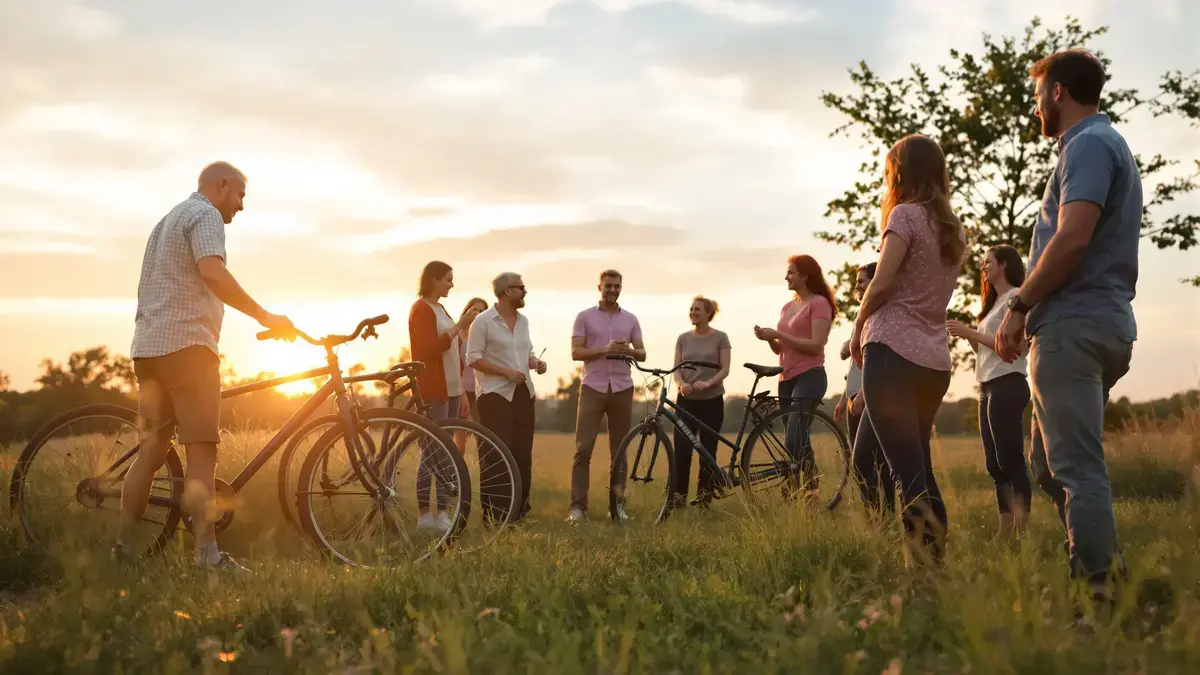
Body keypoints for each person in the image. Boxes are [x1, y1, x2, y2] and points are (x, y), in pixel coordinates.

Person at [995, 49, 1141, 605]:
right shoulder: (1094, 147)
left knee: (1075, 468)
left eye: (1037, 94)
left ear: (1057, 91)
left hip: (1074, 326)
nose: (1035, 105)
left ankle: (1097, 598)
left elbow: (1073, 237)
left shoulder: (1089, 145)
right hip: (1084, 324)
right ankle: (1107, 571)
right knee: (1047, 466)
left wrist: (1019, 304)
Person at [120, 161, 294, 570]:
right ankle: (207, 556)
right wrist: (264, 316)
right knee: (202, 451)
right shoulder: (206, 215)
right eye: (240, 195)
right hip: (188, 349)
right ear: (221, 186)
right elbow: (212, 273)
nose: (241, 206)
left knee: (151, 451)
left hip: (148, 348)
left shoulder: (166, 221)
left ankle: (123, 552)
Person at [850, 133, 966, 568]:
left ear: (900, 172)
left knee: (907, 476)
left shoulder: (904, 215)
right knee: (916, 468)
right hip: (934, 361)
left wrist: (859, 324)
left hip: (892, 354)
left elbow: (880, 284)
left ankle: (923, 570)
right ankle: (932, 564)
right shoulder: (952, 230)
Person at [947, 245, 1031, 538]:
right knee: (994, 464)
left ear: (1004, 265)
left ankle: (1022, 531)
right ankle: (1004, 531)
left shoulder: (1017, 298)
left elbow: (1016, 347)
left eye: (987, 263)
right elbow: (984, 347)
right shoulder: (993, 304)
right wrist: (969, 334)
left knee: (1011, 460)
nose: (983, 268)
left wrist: (968, 331)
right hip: (986, 385)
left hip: (1008, 382)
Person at [465, 272, 546, 524]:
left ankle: (519, 511)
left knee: (522, 453)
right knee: (497, 455)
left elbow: (527, 352)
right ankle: (495, 515)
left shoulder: (523, 322)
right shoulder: (482, 321)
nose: (525, 292)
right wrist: (507, 373)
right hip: (494, 396)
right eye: (521, 287)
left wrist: (536, 363)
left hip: (523, 394)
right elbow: (473, 358)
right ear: (507, 290)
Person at [753, 254, 835, 502]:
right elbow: (781, 350)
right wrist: (771, 340)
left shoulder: (819, 303)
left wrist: (779, 333)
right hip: (786, 378)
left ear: (805, 275)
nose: (786, 277)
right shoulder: (788, 307)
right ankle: (808, 493)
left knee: (794, 435)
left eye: (791, 272)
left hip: (810, 375)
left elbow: (815, 345)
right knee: (798, 437)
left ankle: (799, 490)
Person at [408, 261, 481, 534]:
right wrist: (460, 325)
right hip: (432, 389)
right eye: (448, 279)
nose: (452, 284)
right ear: (434, 280)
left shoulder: (441, 309)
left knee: (447, 451)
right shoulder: (421, 309)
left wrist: (462, 391)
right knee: (432, 451)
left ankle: (443, 513)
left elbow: (455, 356)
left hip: (451, 390)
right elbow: (428, 349)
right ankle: (425, 515)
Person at [568, 269, 646, 523]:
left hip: (622, 388)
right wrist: (605, 349)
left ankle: (617, 507)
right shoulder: (584, 317)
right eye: (608, 286)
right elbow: (576, 352)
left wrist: (629, 351)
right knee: (583, 449)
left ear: (621, 288)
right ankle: (578, 508)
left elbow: (642, 353)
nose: (613, 290)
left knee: (620, 450)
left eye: (617, 286)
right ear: (599, 287)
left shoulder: (631, 319)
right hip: (593, 387)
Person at [836, 262, 896, 516]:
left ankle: (887, 513)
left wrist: (863, 394)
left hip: (871, 396)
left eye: (862, 280)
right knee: (863, 461)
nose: (857, 286)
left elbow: (880, 362)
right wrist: (844, 397)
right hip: (854, 396)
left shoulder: (881, 317)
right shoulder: (861, 316)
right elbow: (855, 363)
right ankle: (875, 515)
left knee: (874, 460)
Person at [670, 296, 731, 508]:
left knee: (707, 451)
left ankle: (704, 499)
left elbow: (725, 369)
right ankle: (678, 499)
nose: (693, 312)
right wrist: (680, 385)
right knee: (682, 449)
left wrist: (708, 383)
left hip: (711, 401)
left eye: (697, 309)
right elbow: (676, 368)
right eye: (691, 309)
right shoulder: (683, 338)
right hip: (685, 402)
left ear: (708, 313)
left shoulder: (721, 338)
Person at [458, 297, 489, 424]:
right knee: (460, 432)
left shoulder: (487, 337)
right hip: (461, 390)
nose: (477, 314)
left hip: (481, 391)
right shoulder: (457, 334)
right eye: (475, 309)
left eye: (482, 311)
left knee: (482, 431)